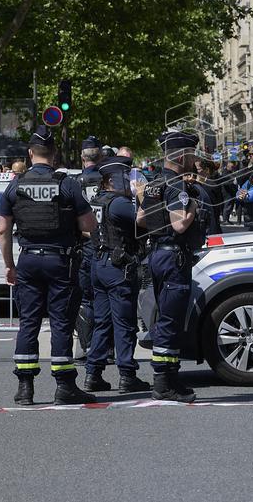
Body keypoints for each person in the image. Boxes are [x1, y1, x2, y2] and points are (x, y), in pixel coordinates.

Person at [0, 126, 97, 406]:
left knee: (28, 321)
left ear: (30, 154)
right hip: (60, 260)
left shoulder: (15, 186)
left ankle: (25, 387)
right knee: (61, 322)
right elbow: (89, 224)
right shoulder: (67, 184)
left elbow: (3, 230)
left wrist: (9, 266)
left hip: (28, 260)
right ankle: (64, 386)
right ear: (54, 154)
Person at [139, 129, 205, 402]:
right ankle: (163, 382)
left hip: (157, 254)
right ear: (180, 156)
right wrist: (193, 207)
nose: (194, 159)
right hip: (173, 258)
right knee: (170, 321)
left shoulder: (154, 183)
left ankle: (171, 377)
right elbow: (179, 225)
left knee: (167, 318)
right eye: (191, 154)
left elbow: (140, 219)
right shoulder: (178, 186)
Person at [82, 156, 151, 394]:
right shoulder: (119, 203)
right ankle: (127, 375)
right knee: (124, 323)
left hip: (99, 264)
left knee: (102, 322)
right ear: (111, 180)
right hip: (117, 267)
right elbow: (144, 220)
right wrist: (142, 195)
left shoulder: (98, 200)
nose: (129, 182)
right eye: (125, 177)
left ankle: (93, 373)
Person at [75, 136, 104, 358]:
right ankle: (107, 348)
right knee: (106, 297)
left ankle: (87, 347)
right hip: (108, 245)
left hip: (86, 245)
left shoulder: (75, 182)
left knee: (86, 299)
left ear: (82, 157)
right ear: (100, 156)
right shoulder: (109, 179)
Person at [195, 159, 223, 236]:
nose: (195, 171)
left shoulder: (211, 185)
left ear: (206, 170)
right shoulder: (197, 184)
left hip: (210, 226)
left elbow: (216, 208)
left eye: (198, 169)